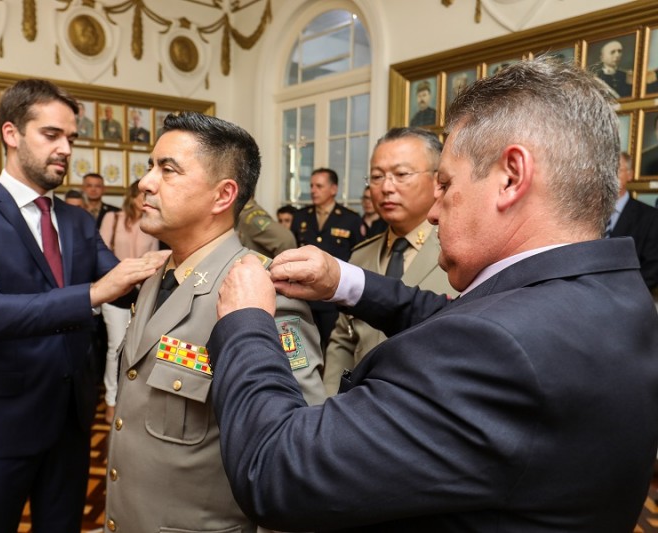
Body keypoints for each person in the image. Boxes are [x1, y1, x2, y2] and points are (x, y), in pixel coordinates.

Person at [207, 57, 658, 531]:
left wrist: (247, 324)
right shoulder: (614, 293)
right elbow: (458, 318)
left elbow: (275, 470)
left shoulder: (497, 348)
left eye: (444, 184)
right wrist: (345, 281)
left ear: (510, 176)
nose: (435, 211)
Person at [0, 78, 169, 532]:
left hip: (69, 421)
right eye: (51, 135)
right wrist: (95, 292)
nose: (65, 149)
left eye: (71, 138)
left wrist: (192, 251)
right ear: (11, 133)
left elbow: (128, 285)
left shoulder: (76, 220)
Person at [104, 111, 325, 533]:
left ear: (223, 196)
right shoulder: (158, 274)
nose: (146, 183)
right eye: (150, 167)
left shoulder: (262, 292)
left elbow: (296, 458)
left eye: (167, 170)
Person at [323, 128, 457, 395]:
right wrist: (326, 402)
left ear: (437, 180)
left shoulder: (458, 253)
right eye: (376, 176)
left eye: (401, 174)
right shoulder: (361, 256)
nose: (385, 187)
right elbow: (344, 339)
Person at [98, 180, 159, 423]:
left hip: (142, 292)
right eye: (141, 194)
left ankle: (129, 399)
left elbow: (153, 259)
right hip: (114, 292)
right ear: (132, 196)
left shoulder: (152, 223)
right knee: (114, 347)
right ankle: (111, 399)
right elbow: (101, 254)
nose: (146, 199)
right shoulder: (112, 219)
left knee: (135, 347)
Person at [291, 167, 363, 349]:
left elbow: (358, 256)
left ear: (333, 189)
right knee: (303, 347)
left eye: (319, 186)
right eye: (312, 186)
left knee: (333, 347)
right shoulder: (300, 217)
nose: (313, 190)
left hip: (333, 298)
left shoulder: (350, 219)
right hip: (304, 296)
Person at [607, 152, 658, 297]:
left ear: (630, 175)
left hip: (627, 299)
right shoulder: (589, 212)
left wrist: (624, 295)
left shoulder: (650, 217)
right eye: (608, 168)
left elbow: (653, 267)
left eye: (617, 168)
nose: (611, 174)